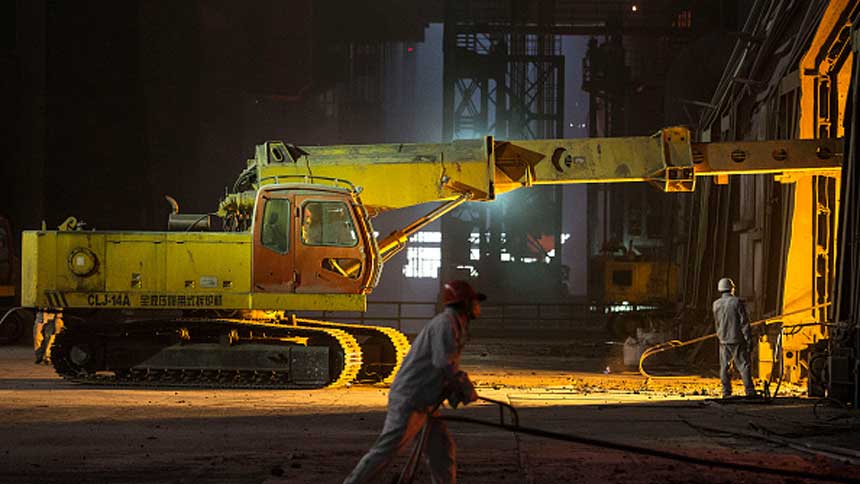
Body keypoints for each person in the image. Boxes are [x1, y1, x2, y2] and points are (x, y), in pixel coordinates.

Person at [343, 280, 485, 484]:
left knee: (441, 451)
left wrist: (453, 388)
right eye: (475, 302)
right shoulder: (447, 324)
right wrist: (462, 386)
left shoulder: (454, 323)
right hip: (411, 399)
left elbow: (442, 367)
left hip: (425, 400)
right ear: (464, 304)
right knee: (386, 451)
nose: (478, 306)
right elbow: (444, 362)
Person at [712, 277, 756, 398]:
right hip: (737, 339)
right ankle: (750, 391)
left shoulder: (715, 304)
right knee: (743, 365)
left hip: (723, 340)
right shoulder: (737, 302)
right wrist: (748, 339)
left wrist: (720, 336)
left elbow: (717, 323)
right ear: (731, 289)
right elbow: (744, 323)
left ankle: (726, 392)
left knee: (724, 367)